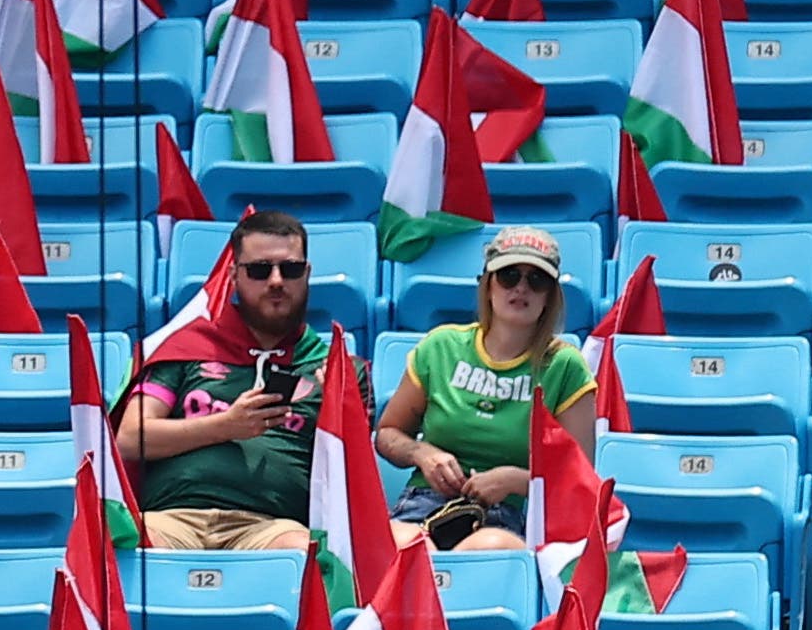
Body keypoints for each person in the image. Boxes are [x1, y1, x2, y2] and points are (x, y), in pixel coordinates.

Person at [119, 211, 359, 552]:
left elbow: (354, 479)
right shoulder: (187, 347)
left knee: (311, 557)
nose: (276, 281)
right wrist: (227, 425)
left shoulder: (335, 369)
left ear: (306, 274)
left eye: (289, 269)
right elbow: (130, 438)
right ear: (233, 276)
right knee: (113, 546)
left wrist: (340, 408)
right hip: (172, 519)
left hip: (271, 528)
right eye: (259, 270)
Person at [376, 225, 596, 552]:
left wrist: (514, 480)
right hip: (424, 504)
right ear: (488, 284)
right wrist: (423, 454)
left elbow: (579, 480)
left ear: (550, 296)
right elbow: (387, 434)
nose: (521, 288)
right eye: (509, 275)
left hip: (506, 515)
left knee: (487, 549)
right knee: (400, 545)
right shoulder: (441, 346)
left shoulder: (565, 366)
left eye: (536, 280)